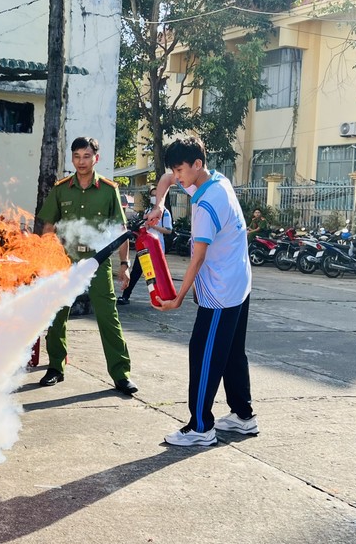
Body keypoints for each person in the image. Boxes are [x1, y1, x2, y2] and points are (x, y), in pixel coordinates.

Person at [148, 135, 256, 446]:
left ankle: (200, 427)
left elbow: (198, 256)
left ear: (197, 165)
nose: (178, 176)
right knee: (233, 353)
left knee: (204, 353)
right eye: (176, 170)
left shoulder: (206, 204)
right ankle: (243, 417)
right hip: (239, 281)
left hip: (221, 291)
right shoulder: (213, 179)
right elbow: (167, 178)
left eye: (181, 170)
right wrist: (159, 204)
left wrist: (178, 297)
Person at [36, 136, 138, 396]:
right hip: (65, 261)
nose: (81, 162)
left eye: (86, 156)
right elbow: (49, 226)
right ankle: (56, 367)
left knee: (108, 317)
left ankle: (120, 374)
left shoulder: (108, 189)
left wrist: (124, 265)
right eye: (77, 156)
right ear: (72, 158)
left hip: (98, 262)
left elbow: (120, 230)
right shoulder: (61, 189)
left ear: (96, 158)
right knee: (57, 314)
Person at [118, 185, 173, 305]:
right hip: (144, 247)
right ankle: (125, 296)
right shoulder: (148, 211)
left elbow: (168, 230)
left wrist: (153, 226)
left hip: (156, 248)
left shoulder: (165, 213)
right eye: (152, 195)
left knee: (157, 274)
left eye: (156, 195)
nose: (154, 198)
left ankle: (161, 297)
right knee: (136, 272)